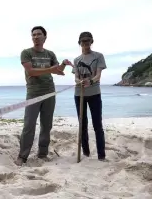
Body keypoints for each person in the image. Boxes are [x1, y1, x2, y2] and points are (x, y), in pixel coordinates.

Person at [16, 26, 72, 166]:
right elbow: (31, 72)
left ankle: (42, 154)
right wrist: (50, 69)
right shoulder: (26, 52)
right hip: (34, 92)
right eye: (33, 35)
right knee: (29, 125)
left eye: (39, 34)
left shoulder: (50, 54)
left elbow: (58, 71)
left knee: (46, 125)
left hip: (50, 92)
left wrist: (64, 64)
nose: (36, 37)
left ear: (45, 37)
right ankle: (22, 156)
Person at [73, 31, 107, 161]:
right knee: (82, 125)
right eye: (83, 41)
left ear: (91, 41)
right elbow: (76, 77)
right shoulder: (77, 60)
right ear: (79, 43)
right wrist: (79, 81)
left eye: (88, 40)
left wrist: (90, 81)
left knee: (97, 124)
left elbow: (98, 75)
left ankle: (101, 156)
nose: (85, 43)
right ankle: (85, 153)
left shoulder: (98, 56)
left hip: (94, 93)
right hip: (79, 94)